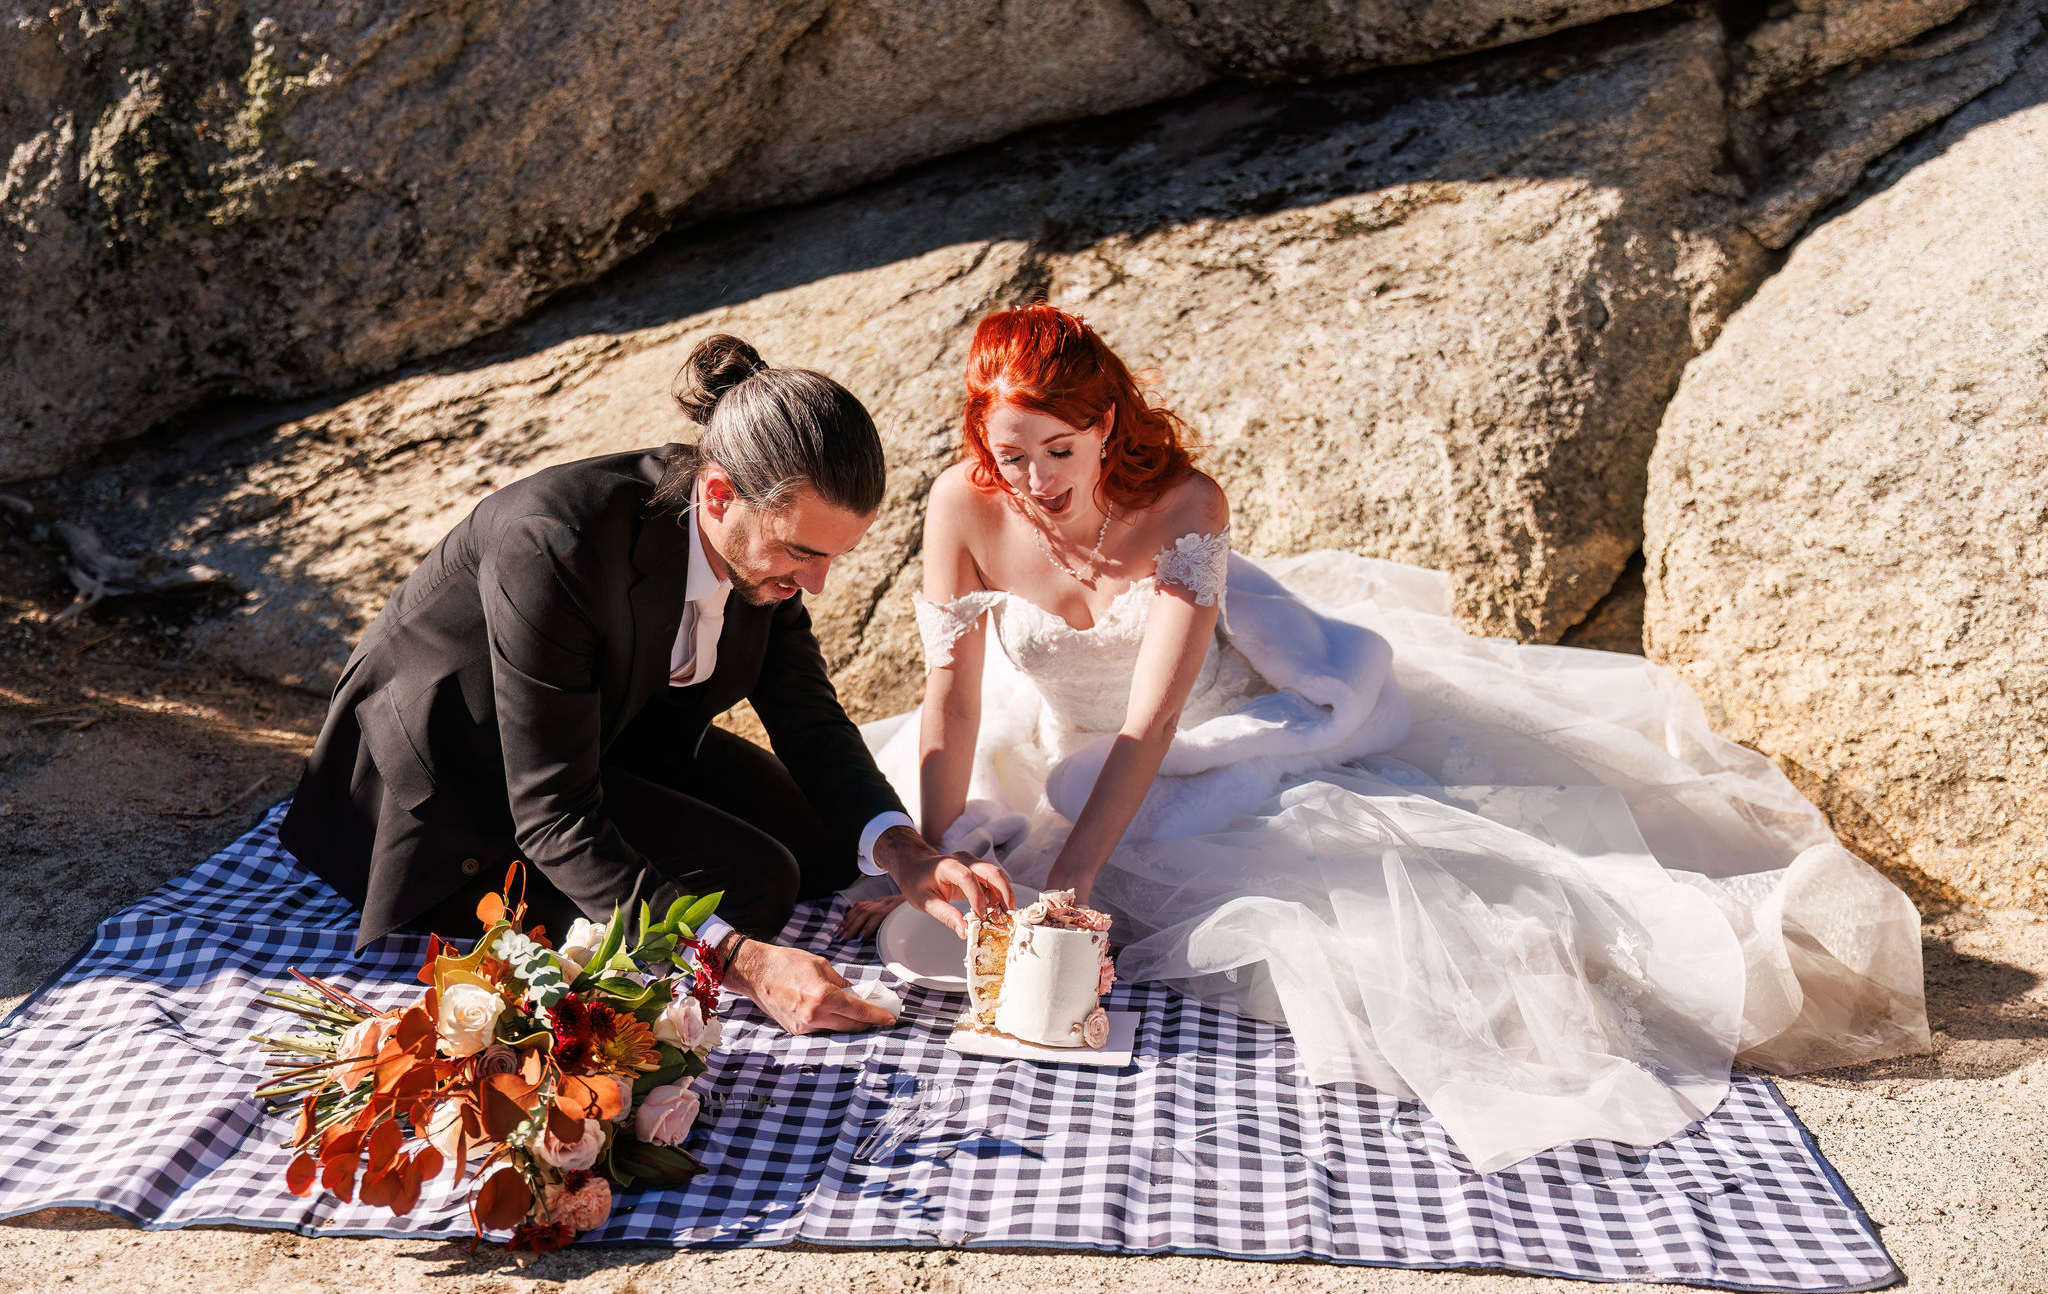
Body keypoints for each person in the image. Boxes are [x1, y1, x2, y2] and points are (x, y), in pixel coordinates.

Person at [851, 303, 1931, 1171]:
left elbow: (1153, 716)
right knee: (925, 946)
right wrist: (941, 852)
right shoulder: (964, 503)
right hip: (1053, 740)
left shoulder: (1185, 505)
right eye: (1010, 454)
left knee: (1375, 938)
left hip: (1207, 740)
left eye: (1058, 449)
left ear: (1106, 428)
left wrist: (1074, 871)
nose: (1035, 482)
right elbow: (950, 693)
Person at [279, 333, 1011, 1036]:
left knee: (828, 849)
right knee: (757, 886)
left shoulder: (767, 561)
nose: (815, 583)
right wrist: (743, 961)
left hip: (605, 733)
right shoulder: (554, 544)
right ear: (719, 494)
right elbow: (553, 812)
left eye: (834, 557)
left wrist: (908, 853)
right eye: (801, 552)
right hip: (454, 787)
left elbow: (809, 721)